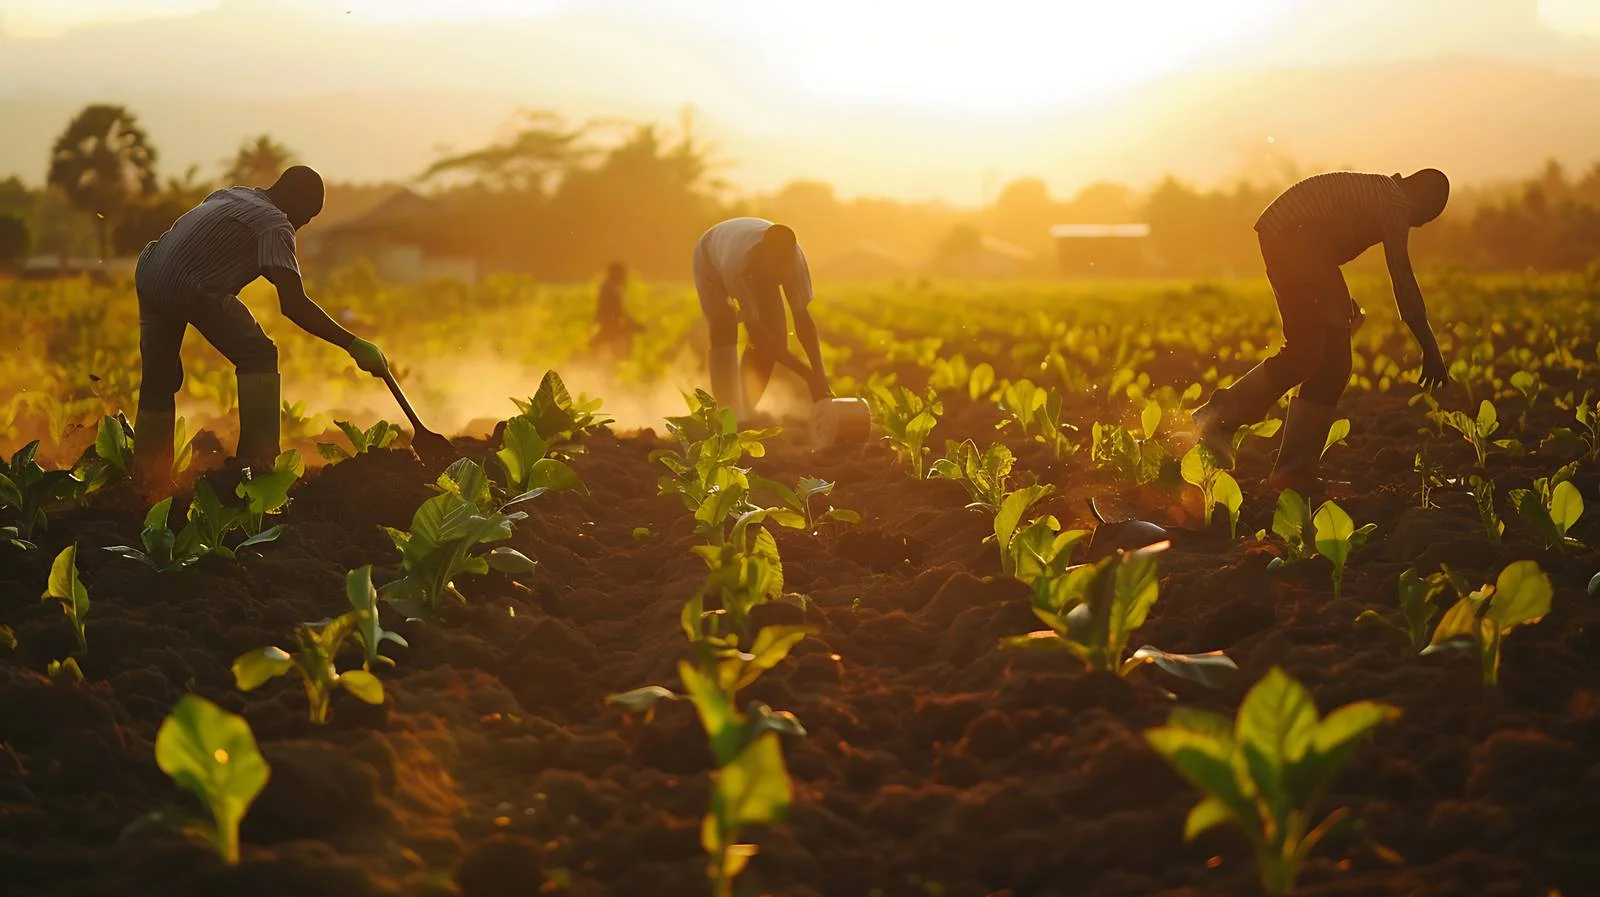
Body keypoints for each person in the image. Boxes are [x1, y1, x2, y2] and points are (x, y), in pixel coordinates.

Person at [1191, 168, 1452, 491]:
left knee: (1325, 359)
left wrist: (1339, 307)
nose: (1415, 226)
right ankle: (1223, 420)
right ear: (1421, 200)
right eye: (1422, 219)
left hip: (1293, 237)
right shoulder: (1396, 203)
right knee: (1312, 356)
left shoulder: (1382, 191)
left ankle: (1289, 469)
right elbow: (1402, 278)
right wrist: (1430, 348)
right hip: (1296, 236)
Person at [132, 165, 389, 490]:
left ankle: (148, 481)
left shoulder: (232, 195)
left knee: (158, 381)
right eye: (307, 215)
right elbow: (293, 304)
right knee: (259, 355)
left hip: (151, 272)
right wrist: (353, 344)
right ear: (296, 199)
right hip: (193, 287)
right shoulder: (275, 224)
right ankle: (258, 468)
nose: (303, 224)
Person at [692, 217, 830, 415]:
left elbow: (803, 319)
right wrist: (807, 375)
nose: (778, 274)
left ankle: (745, 409)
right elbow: (757, 334)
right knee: (724, 328)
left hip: (750, 262)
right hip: (711, 259)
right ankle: (727, 411)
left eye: (781, 271)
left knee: (777, 334)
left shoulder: (795, 262)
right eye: (774, 268)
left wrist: (820, 376)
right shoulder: (736, 264)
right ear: (761, 255)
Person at [590, 261, 643, 362]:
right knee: (618, 349)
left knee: (606, 347)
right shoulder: (611, 289)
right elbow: (617, 309)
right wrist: (633, 323)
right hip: (609, 324)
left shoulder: (608, 287)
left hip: (607, 323)